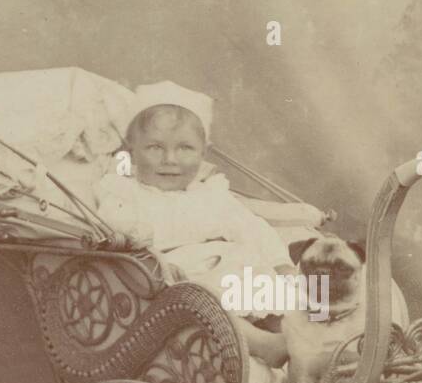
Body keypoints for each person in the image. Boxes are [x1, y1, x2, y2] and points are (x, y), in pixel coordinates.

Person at [95, 81, 301, 368]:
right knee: (199, 298)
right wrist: (137, 236)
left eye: (185, 149)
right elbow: (113, 224)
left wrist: (282, 265)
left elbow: (252, 228)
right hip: (174, 276)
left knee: (279, 290)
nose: (170, 160)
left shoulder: (211, 193)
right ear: (130, 151)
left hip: (233, 268)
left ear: (204, 152)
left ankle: (296, 343)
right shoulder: (123, 191)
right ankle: (261, 344)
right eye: (154, 147)